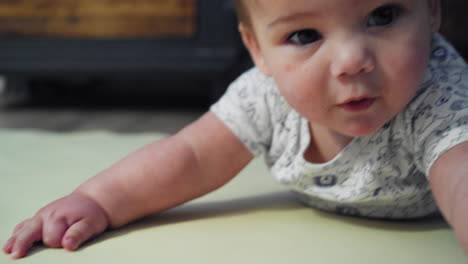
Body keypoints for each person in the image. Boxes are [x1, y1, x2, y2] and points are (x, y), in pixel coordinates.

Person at [4, 0, 468, 259]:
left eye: (383, 15)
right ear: (258, 50)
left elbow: (459, 176)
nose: (351, 62)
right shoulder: (265, 95)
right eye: (304, 36)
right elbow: (192, 156)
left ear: (431, 11)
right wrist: (96, 201)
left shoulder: (436, 94)